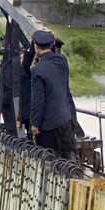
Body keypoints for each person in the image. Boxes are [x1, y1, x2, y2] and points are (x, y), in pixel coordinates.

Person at [29, 30, 77, 159]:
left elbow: (38, 99)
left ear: (36, 47)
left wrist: (35, 124)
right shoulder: (62, 61)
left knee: (51, 161)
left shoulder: (37, 69)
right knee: (68, 157)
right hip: (65, 119)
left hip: (48, 124)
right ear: (52, 45)